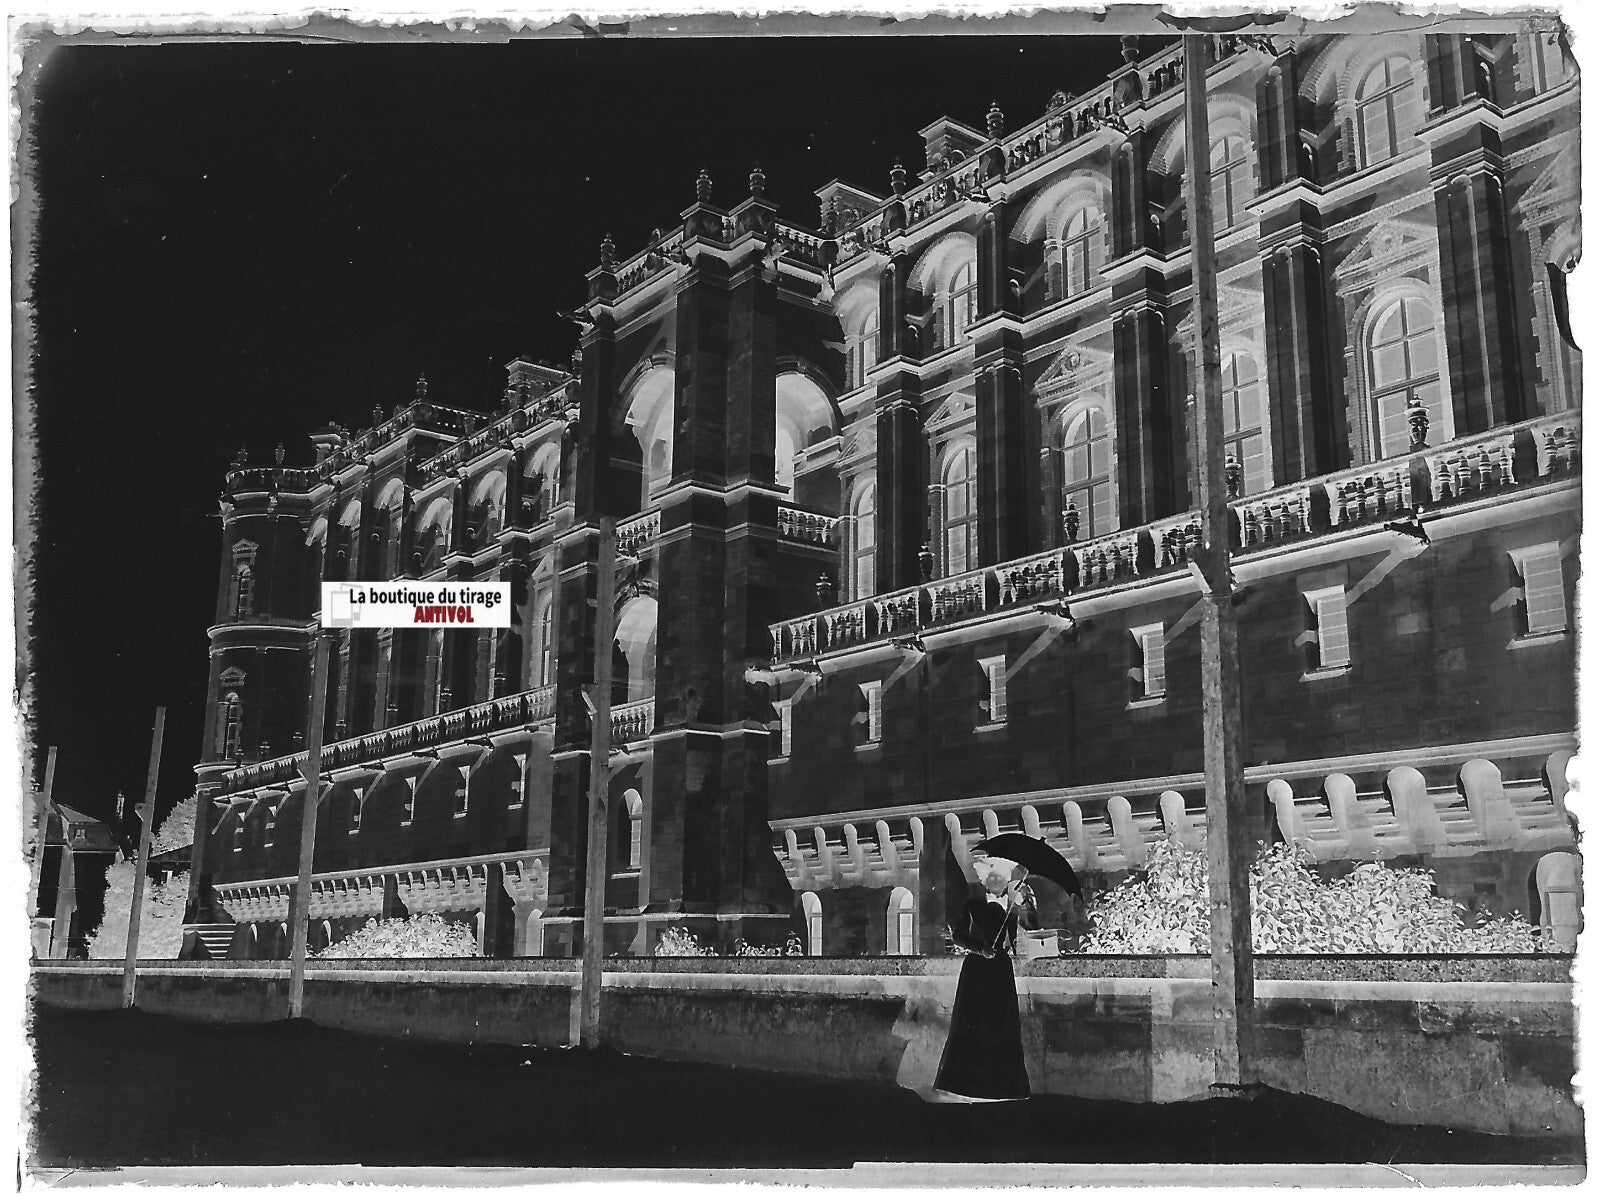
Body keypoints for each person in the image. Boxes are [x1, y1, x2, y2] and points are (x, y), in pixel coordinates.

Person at [931, 854, 1038, 1102]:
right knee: (973, 1021)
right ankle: (965, 1085)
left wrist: (1025, 905)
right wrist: (980, 949)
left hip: (1000, 970)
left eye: (1000, 878)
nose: (996, 882)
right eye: (992, 878)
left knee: (1001, 1024)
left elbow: (1031, 927)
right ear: (985, 881)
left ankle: (1004, 1087)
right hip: (977, 970)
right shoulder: (973, 906)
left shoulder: (1012, 908)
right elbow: (958, 936)